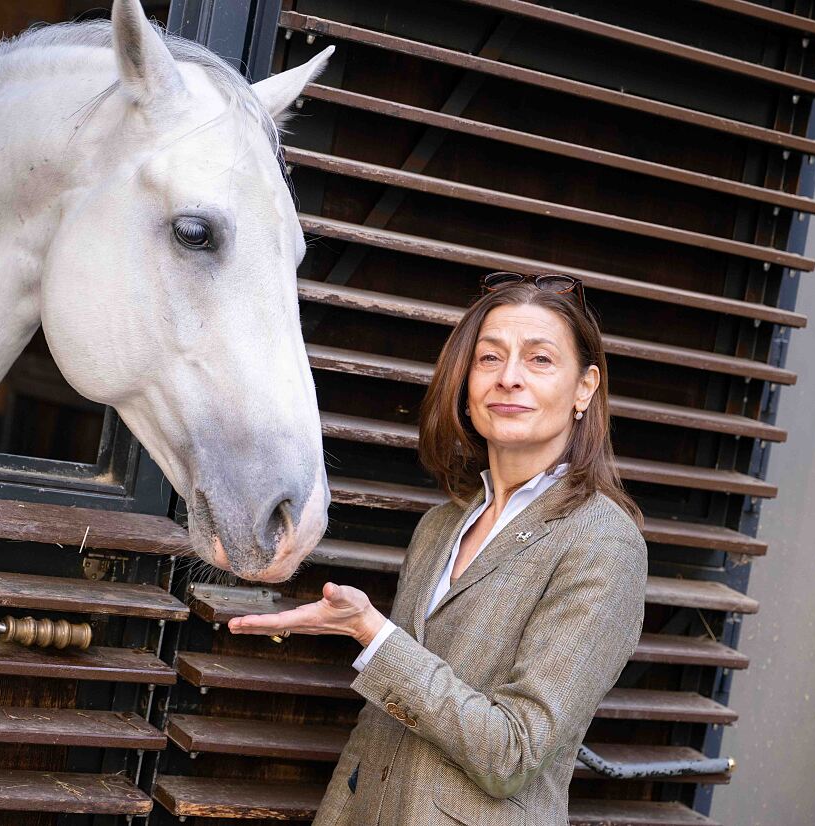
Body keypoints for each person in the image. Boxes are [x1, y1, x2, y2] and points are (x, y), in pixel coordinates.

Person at [228, 271, 648, 825]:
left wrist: (373, 636)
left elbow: (513, 753)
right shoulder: (439, 525)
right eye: (489, 358)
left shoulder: (602, 542)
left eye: (540, 360)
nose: (509, 379)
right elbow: (383, 728)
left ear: (585, 388)